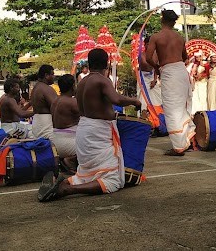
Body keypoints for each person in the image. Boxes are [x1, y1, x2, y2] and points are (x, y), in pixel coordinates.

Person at [38, 49, 140, 202]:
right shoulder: (101, 79)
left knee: (88, 173)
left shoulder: (82, 82)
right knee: (113, 181)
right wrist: (134, 101)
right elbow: (116, 99)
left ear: (89, 63)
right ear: (105, 63)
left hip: (85, 130)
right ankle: (68, 189)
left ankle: (62, 183)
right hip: (97, 132)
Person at [142, 10, 196, 156]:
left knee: (172, 108)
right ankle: (186, 139)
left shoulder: (156, 37)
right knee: (182, 106)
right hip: (181, 71)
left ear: (162, 20)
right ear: (173, 22)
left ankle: (179, 146)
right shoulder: (179, 37)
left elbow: (148, 58)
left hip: (169, 72)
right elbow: (185, 57)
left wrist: (157, 68)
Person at [51, 74, 80, 172]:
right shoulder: (71, 102)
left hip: (54, 143)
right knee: (99, 145)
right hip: (68, 143)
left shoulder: (55, 100)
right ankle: (71, 160)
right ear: (72, 86)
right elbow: (90, 114)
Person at [30, 65, 57, 140]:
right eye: (52, 74)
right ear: (46, 75)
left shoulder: (35, 88)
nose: (54, 77)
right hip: (46, 125)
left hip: (36, 124)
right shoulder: (46, 88)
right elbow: (57, 107)